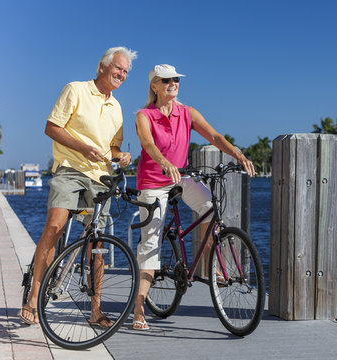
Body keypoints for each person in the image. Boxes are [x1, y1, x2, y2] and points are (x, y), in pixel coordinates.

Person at [18, 46, 137, 327]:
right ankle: (34, 296)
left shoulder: (117, 107)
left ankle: (95, 311)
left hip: (100, 177)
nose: (122, 74)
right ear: (102, 67)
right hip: (70, 170)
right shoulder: (75, 89)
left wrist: (120, 155)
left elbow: (113, 147)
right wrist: (83, 148)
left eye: (126, 72)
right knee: (55, 225)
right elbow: (52, 127)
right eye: (118, 68)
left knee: (97, 244)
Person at [132, 64, 255, 330]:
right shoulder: (145, 115)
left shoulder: (187, 112)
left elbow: (214, 135)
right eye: (166, 80)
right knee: (151, 242)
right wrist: (164, 162)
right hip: (153, 182)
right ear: (154, 85)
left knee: (210, 207)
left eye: (175, 79)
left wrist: (239, 156)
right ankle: (139, 306)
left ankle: (210, 268)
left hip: (182, 177)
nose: (172, 83)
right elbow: (148, 144)